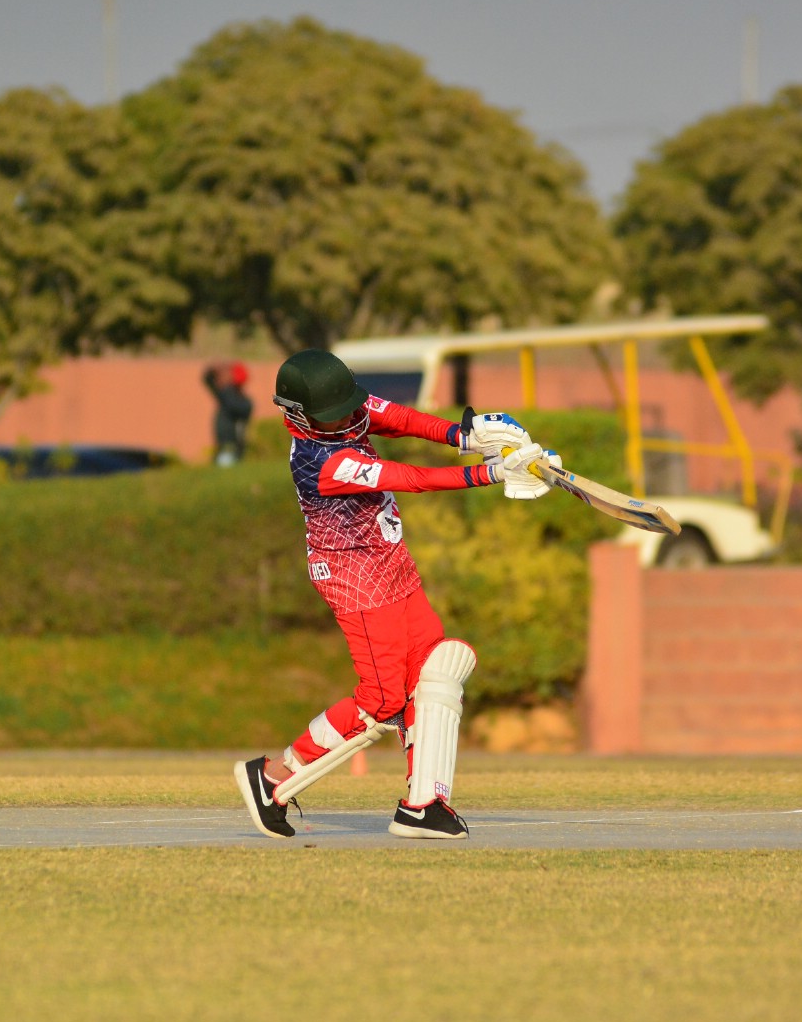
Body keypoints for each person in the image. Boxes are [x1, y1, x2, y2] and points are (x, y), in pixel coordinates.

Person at [232, 349, 559, 840]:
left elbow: (402, 419)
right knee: (382, 698)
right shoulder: (319, 461)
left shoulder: (348, 411)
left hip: (390, 560)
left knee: (434, 668)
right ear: (298, 415)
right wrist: (489, 473)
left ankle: (423, 804)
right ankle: (273, 776)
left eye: (347, 407)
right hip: (354, 576)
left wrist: (464, 437)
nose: (347, 419)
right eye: (333, 414)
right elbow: (408, 479)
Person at [202, 362, 253, 466]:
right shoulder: (242, 401)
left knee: (225, 464)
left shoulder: (232, 398)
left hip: (231, 446)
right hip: (226, 445)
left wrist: (221, 377)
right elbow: (208, 379)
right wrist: (213, 371)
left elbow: (210, 382)